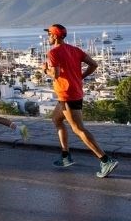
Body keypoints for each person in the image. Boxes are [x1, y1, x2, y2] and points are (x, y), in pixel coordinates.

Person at [41, 24, 118, 178]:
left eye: (49, 34)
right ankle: (65, 156)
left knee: (78, 129)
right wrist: (80, 77)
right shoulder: (74, 50)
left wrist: (44, 69)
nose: (47, 37)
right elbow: (94, 64)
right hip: (73, 92)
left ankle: (105, 159)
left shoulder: (53, 52)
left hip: (67, 95)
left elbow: (55, 75)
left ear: (55, 36)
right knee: (56, 119)